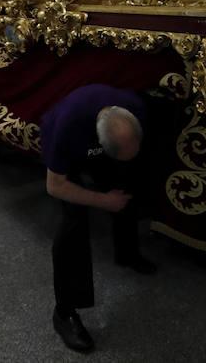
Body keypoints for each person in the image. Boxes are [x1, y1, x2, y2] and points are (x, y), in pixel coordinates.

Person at [41, 83, 156, 354]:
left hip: (109, 143)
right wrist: (104, 201)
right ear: (99, 145)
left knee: (126, 185)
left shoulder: (135, 108)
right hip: (66, 157)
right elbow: (55, 186)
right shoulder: (68, 127)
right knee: (73, 223)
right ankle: (64, 313)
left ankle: (127, 253)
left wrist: (121, 189)